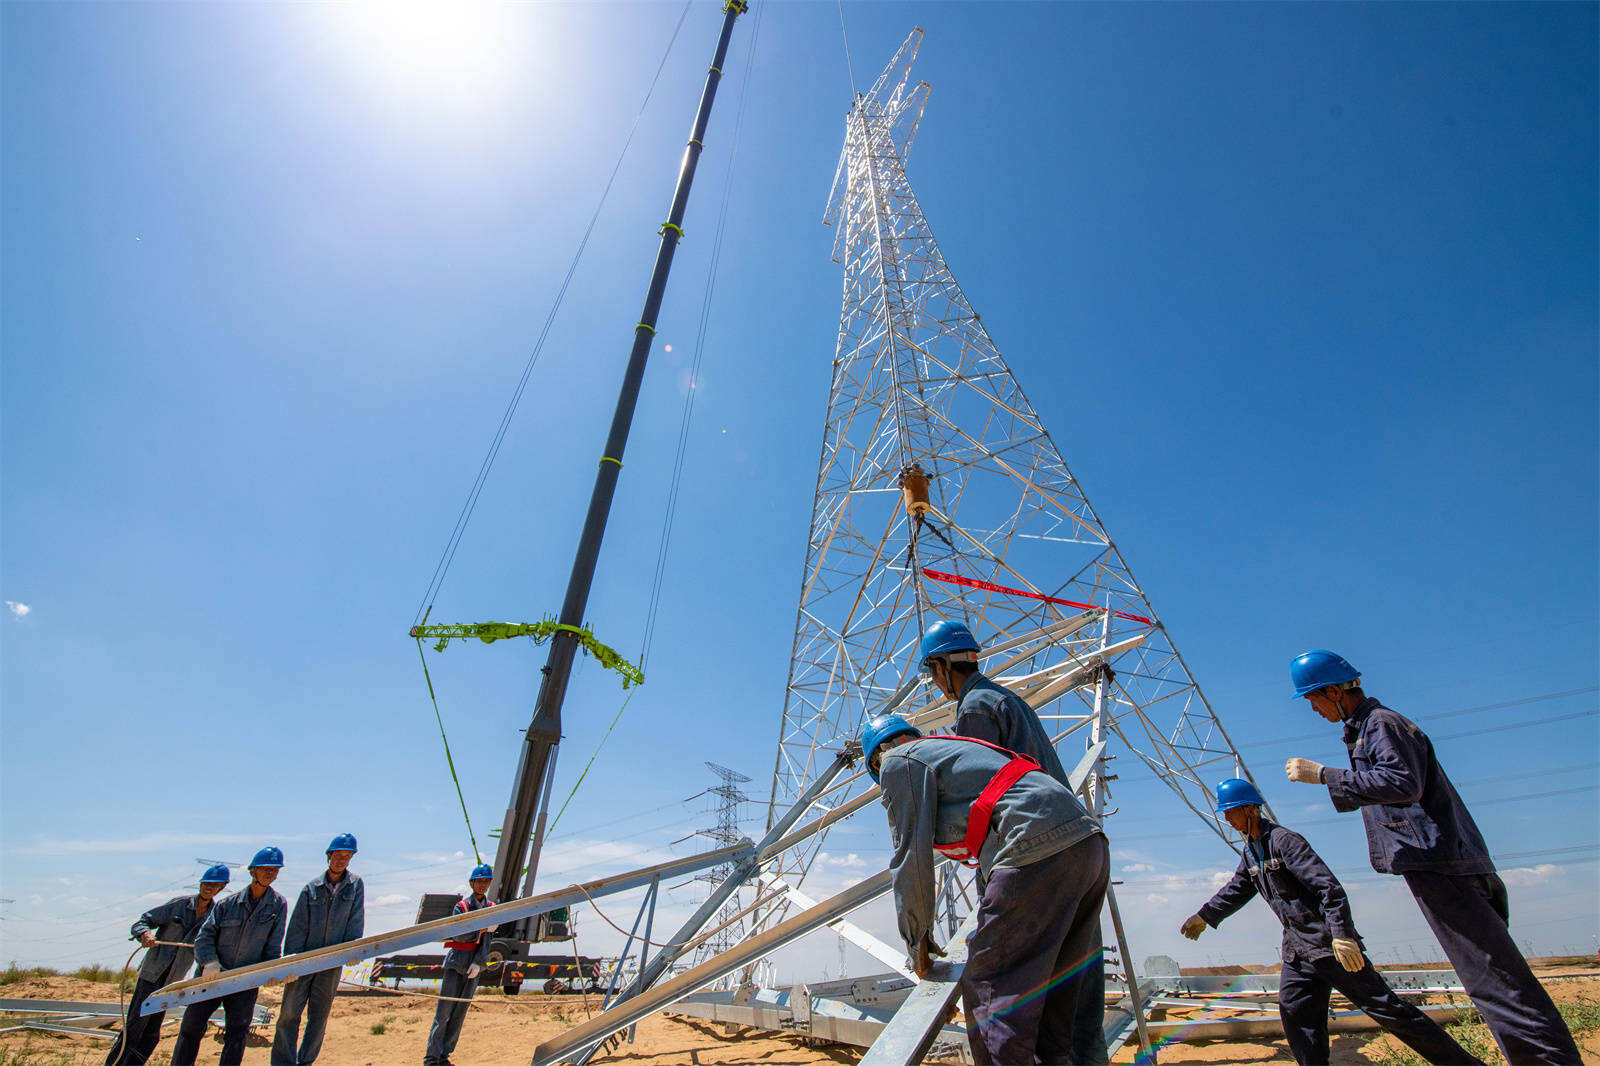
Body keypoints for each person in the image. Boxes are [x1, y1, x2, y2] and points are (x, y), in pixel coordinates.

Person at [1282, 650, 1580, 1066]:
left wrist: (1325, 776)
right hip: (1442, 863)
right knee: (1494, 982)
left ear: (1333, 691)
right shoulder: (1369, 728)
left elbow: (1403, 782)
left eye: (1312, 699)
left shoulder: (1380, 724)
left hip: (1442, 865)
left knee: (1497, 985)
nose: (1312, 709)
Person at [1181, 779, 1485, 1066]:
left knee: (1389, 1012)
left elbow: (1329, 888)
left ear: (1250, 809)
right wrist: (1205, 916)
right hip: (1298, 954)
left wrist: (1342, 935)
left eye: (1231, 812)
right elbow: (1237, 888)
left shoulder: (1285, 842)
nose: (1228, 820)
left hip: (1332, 949)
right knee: (1295, 1014)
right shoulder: (1251, 852)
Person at [863, 713, 1109, 1066]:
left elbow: (910, 859)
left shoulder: (897, 762)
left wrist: (917, 942)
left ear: (876, 760)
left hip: (1034, 847)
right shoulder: (953, 754)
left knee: (987, 986)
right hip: (1089, 845)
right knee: (1057, 994)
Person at [171, 846, 288, 1066]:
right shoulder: (227, 904)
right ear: (253, 871)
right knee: (191, 1029)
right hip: (212, 977)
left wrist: (271, 972)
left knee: (237, 1035)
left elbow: (273, 947)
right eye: (265, 869)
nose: (270, 873)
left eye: (275, 870)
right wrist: (209, 962)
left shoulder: (278, 906)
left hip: (244, 981)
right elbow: (204, 938)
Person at [920, 619, 1070, 785]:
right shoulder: (1008, 699)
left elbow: (978, 784)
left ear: (939, 667)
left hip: (1032, 809)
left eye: (932, 673)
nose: (935, 681)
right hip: (1060, 805)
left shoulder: (975, 706)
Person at [107, 865, 230, 1065]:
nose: (209, 888)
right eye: (206, 883)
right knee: (135, 1027)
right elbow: (142, 922)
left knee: (152, 1033)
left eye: (215, 885)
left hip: (172, 982)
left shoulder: (214, 916)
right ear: (201, 883)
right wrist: (145, 935)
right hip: (151, 975)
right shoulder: (179, 905)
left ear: (222, 887)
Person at [272, 833, 364, 1065]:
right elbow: (297, 927)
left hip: (332, 963)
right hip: (303, 961)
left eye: (347, 856)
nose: (342, 860)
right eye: (338, 855)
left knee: (319, 1016)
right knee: (289, 1015)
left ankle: (305, 1062)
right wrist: (292, 960)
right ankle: (283, 1062)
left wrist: (352, 948)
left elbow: (356, 919)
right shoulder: (311, 888)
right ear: (329, 856)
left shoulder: (355, 887)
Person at [423, 863, 495, 1066]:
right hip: (456, 963)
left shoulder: (491, 908)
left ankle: (444, 1055)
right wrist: (481, 930)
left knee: (459, 1014)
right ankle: (431, 1059)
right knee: (444, 1013)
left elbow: (487, 942)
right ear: (472, 883)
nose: (482, 885)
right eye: (478, 881)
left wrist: (479, 963)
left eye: (485, 881)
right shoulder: (461, 907)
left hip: (474, 965)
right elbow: (459, 933)